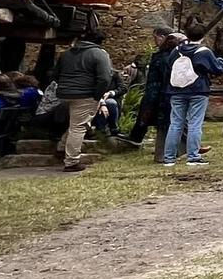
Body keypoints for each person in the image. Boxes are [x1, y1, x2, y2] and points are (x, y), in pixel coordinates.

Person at [53, 24, 118, 172]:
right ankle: (71, 161)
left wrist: (64, 87)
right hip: (85, 94)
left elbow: (55, 74)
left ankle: (62, 146)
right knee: (79, 126)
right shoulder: (99, 54)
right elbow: (105, 78)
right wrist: (97, 95)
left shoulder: (67, 53)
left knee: (77, 122)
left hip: (64, 93)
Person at [161, 30, 223, 167]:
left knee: (175, 124)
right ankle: (193, 157)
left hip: (176, 90)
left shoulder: (176, 51)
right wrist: (222, 61)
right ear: (203, 37)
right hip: (198, 90)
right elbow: (217, 69)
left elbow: (168, 68)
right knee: (195, 123)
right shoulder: (203, 51)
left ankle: (168, 158)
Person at [131, 26, 178, 162]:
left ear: (163, 37)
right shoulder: (166, 54)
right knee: (164, 122)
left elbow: (165, 76)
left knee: (165, 122)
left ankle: (164, 154)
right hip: (160, 91)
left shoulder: (166, 56)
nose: (154, 41)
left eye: (155, 37)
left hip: (161, 93)